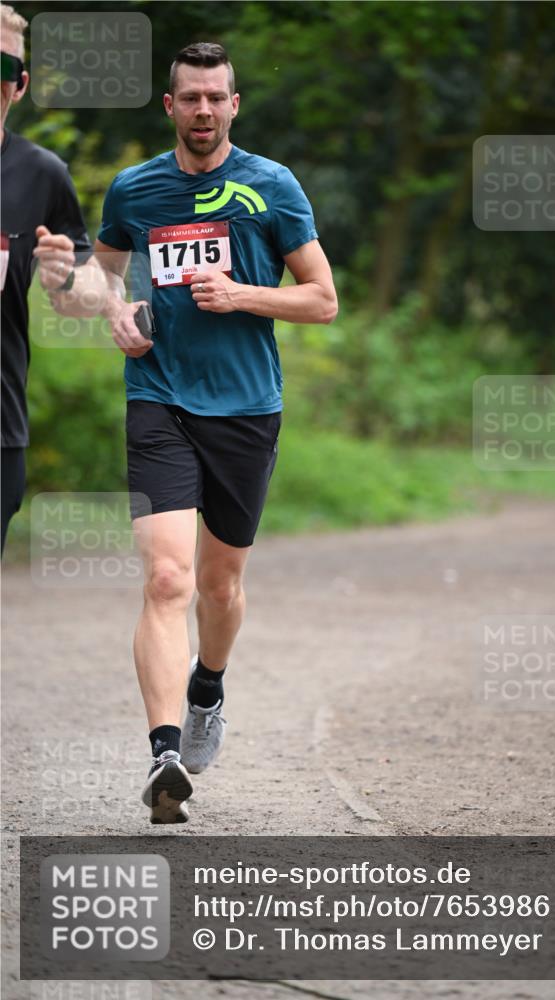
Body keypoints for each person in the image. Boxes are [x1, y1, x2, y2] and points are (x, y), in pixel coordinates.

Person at [91, 42, 337, 823]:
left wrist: (241, 294)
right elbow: (100, 276)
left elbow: (322, 299)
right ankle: (165, 753)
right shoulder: (135, 189)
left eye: (215, 98)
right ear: (169, 106)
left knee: (220, 584)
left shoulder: (271, 187)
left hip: (245, 407)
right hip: (158, 396)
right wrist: (113, 312)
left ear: (235, 104)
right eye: (189, 97)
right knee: (167, 578)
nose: (202, 110)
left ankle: (206, 691)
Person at [0, 3, 93, 553]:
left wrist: (63, 279)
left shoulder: (43, 175)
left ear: (20, 84)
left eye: (2, 68)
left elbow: (89, 294)